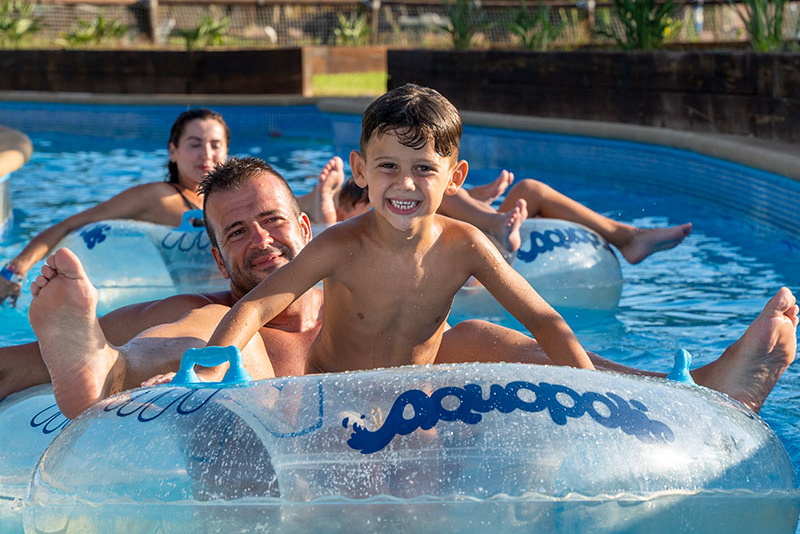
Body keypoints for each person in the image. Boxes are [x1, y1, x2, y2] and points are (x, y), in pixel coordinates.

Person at [20, 156, 798, 420]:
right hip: (254, 443)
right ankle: (108, 372)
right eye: (236, 235)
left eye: (270, 223)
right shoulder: (204, 304)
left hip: (397, 450)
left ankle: (700, 391)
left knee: (476, 340)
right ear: (220, 259)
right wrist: (72, 348)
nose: (259, 242)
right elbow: (14, 367)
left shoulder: (374, 280)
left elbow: (539, 322)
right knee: (208, 339)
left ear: (306, 225)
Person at [203, 84, 596, 379]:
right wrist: (202, 378)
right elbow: (254, 307)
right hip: (330, 396)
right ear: (360, 171)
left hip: (411, 400)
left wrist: (589, 387)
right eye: (388, 166)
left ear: (455, 177)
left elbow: (544, 321)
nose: (405, 184)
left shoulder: (466, 246)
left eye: (423, 169)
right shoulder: (340, 245)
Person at [0, 108, 230, 306]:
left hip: (231, 298)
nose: (207, 154)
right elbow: (71, 224)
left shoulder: (231, 198)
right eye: (195, 144)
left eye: (215, 145)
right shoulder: (159, 196)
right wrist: (15, 270)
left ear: (227, 151)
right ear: (173, 151)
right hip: (193, 305)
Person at [307, 155, 691, 262]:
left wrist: (475, 197)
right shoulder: (339, 243)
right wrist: (326, 205)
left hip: (480, 236)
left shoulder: (409, 210)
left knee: (529, 189)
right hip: (467, 255)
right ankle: (489, 219)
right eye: (360, 204)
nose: (401, 192)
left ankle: (625, 236)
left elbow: (423, 200)